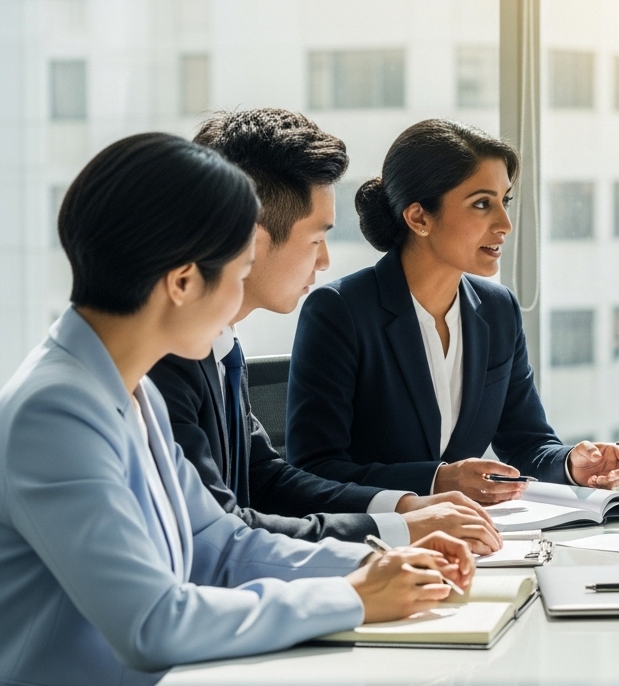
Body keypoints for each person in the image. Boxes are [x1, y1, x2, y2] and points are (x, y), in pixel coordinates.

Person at [0, 133, 473, 686]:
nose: (237, 304)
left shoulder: (132, 391)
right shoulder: (55, 412)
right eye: (240, 271)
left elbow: (219, 544)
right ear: (182, 282)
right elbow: (153, 624)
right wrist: (351, 597)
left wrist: (375, 564)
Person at [147, 109, 501, 553]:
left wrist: (404, 508)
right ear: (250, 239)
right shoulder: (164, 363)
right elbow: (219, 536)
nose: (325, 260)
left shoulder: (220, 347)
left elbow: (265, 478)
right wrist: (399, 532)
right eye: (316, 238)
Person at [287, 119, 619, 501]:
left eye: (505, 201)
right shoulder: (340, 312)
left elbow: (527, 442)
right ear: (419, 218)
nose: (505, 224)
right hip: (375, 532)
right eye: (482, 204)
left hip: (469, 532)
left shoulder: (498, 310)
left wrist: (571, 465)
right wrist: (436, 481)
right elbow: (315, 469)